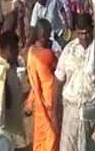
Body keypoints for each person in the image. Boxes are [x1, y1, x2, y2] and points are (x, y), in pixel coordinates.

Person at [53, 13, 95, 151]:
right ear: (76, 32)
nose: (84, 37)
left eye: (87, 33)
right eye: (80, 33)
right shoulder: (68, 50)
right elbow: (58, 81)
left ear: (92, 29)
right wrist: (55, 113)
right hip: (71, 113)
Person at [0, 31, 27, 148]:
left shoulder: (9, 66)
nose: (18, 52)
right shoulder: (0, 71)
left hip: (13, 121)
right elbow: (2, 100)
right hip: (6, 127)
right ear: (10, 49)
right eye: (16, 49)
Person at [26, 20, 59, 151]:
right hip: (49, 96)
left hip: (38, 100)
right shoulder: (47, 54)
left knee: (40, 134)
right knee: (52, 135)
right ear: (40, 35)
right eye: (46, 35)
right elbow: (59, 68)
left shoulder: (30, 51)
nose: (48, 38)